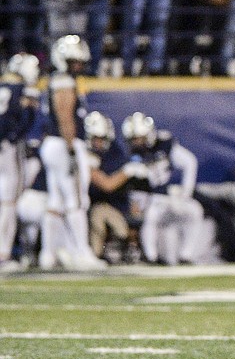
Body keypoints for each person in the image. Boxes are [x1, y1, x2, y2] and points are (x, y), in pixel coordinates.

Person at [39, 35, 104, 270]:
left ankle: (48, 255)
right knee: (76, 200)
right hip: (62, 143)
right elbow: (65, 116)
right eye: (73, 61)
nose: (78, 65)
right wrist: (71, 149)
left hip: (53, 144)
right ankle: (81, 253)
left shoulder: (57, 79)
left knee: (56, 200)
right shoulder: (64, 81)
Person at [122, 112, 204, 265]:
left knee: (194, 211)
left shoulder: (164, 144)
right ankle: (150, 256)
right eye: (134, 139)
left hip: (170, 196)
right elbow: (135, 189)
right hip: (152, 200)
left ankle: (186, 256)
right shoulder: (131, 157)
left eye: (139, 138)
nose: (137, 142)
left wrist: (186, 193)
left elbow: (189, 162)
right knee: (150, 217)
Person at [83, 111, 143, 264]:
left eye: (101, 138)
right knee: (100, 214)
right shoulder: (82, 154)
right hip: (89, 206)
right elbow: (107, 185)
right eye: (95, 138)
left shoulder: (116, 153)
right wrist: (126, 172)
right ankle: (95, 254)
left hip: (116, 205)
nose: (98, 143)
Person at [0, 53, 40, 270]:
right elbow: (24, 124)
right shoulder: (19, 91)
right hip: (8, 149)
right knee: (8, 202)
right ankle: (3, 253)